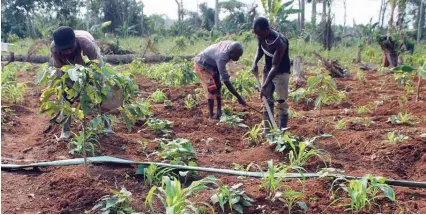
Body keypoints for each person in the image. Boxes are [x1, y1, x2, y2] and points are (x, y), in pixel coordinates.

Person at [50, 26, 114, 141]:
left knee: (100, 92)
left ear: (75, 42)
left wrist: (90, 85)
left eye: (70, 48)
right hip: (68, 67)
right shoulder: (54, 49)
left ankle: (107, 125)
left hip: (89, 63)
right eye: (64, 50)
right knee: (66, 96)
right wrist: (71, 88)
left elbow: (96, 70)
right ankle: (65, 132)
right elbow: (61, 72)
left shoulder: (87, 45)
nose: (68, 51)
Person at [251, 17, 291, 132]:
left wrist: (263, 86)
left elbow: (275, 66)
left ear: (267, 29)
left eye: (260, 34)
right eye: (256, 34)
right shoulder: (261, 35)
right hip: (268, 70)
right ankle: (267, 130)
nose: (258, 36)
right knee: (266, 99)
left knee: (281, 101)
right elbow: (260, 49)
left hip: (281, 72)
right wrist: (255, 63)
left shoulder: (280, 42)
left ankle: (282, 132)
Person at [194, 41, 247, 120]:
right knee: (211, 88)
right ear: (231, 52)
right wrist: (238, 97)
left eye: (239, 56)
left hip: (213, 64)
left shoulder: (230, 47)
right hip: (202, 65)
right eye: (236, 56)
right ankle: (211, 116)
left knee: (218, 85)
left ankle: (219, 110)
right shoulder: (222, 57)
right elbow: (226, 81)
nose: (238, 58)